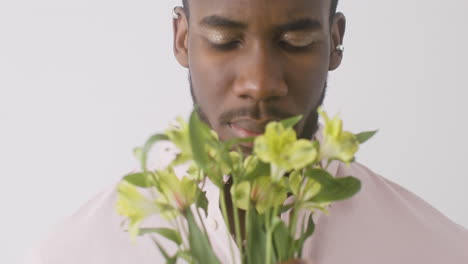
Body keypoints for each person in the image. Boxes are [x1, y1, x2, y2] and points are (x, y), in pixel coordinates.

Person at [23, 0, 468, 263]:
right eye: (224, 40)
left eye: (295, 43)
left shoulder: (438, 251)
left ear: (335, 42)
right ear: (182, 39)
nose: (258, 82)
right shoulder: (72, 253)